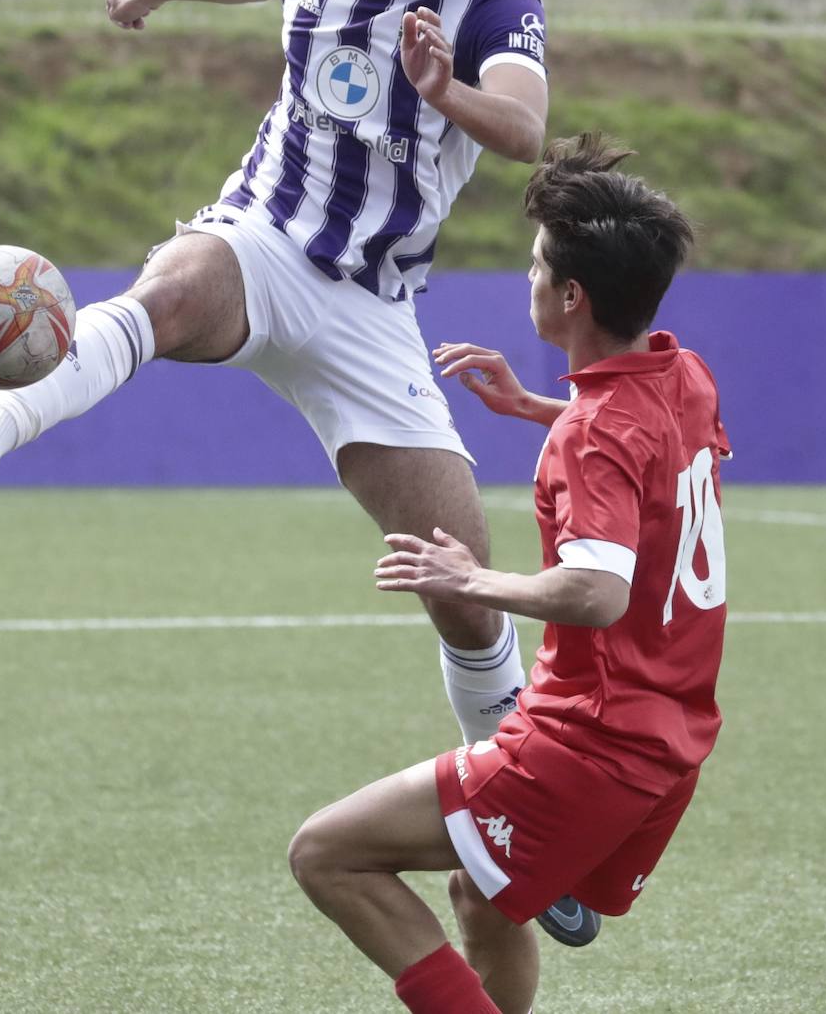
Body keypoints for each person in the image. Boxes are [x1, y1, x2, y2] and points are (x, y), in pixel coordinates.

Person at [0, 0, 549, 749]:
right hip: (261, 238)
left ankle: (522, 799)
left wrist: (444, 89)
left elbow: (527, 128)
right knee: (165, 293)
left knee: (457, 576)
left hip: (370, 308)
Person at [288, 133, 730, 1014]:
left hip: (585, 746)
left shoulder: (593, 432)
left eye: (535, 265)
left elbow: (597, 592)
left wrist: (469, 578)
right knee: (482, 897)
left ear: (572, 295)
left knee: (327, 853)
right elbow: (638, 445)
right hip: (672, 738)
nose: (525, 278)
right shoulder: (684, 374)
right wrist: (535, 405)